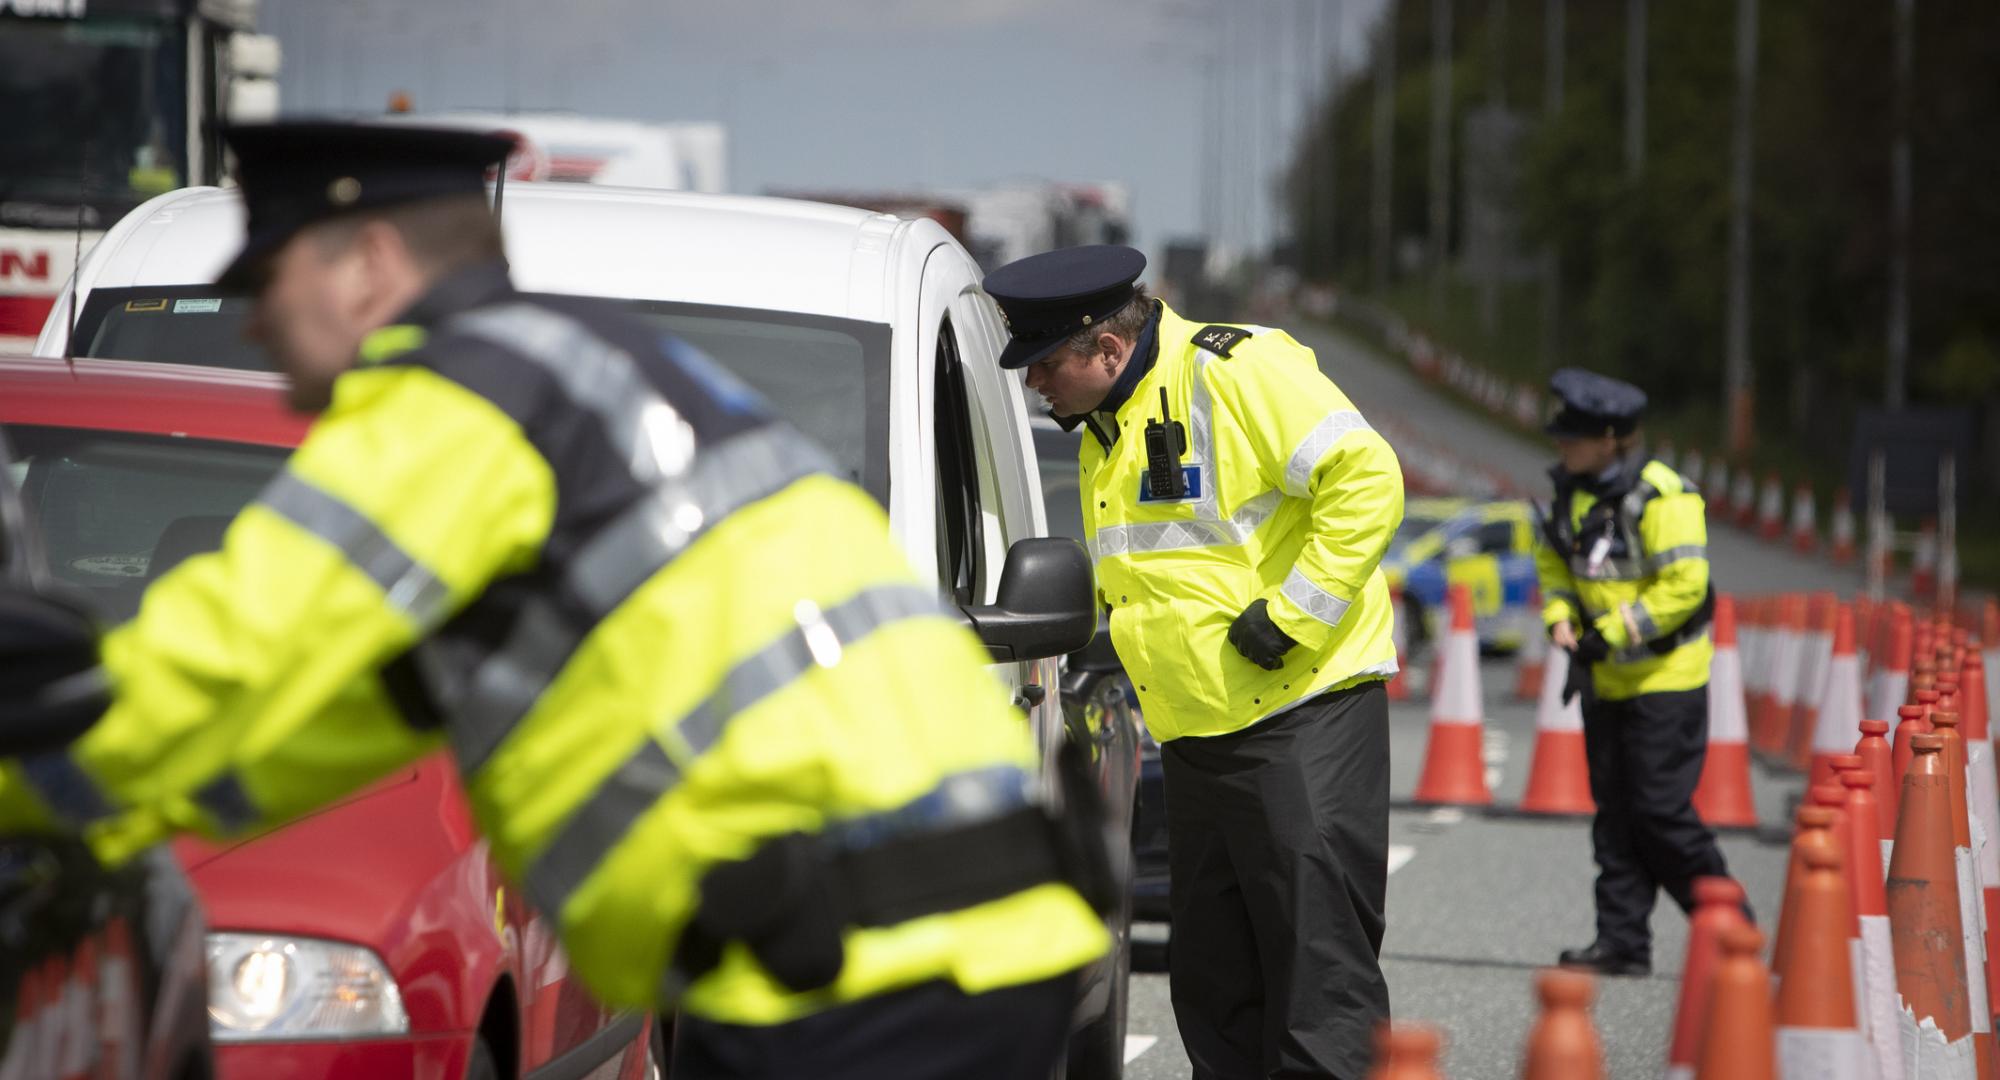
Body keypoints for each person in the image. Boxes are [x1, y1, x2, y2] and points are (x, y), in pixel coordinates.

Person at [0, 122, 1112, 1080]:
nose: (251, 324)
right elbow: (308, 723)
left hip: (854, 983)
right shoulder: (590, 373)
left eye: (266, 284)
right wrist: (90, 808)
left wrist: (31, 752)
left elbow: (234, 659)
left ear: (365, 263)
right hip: (944, 951)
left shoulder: (452, 401)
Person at [985, 245, 1403, 1079]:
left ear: (1105, 349)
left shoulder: (1235, 370)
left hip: (1302, 715)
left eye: (1044, 365)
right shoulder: (1112, 423)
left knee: (1316, 985)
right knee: (1217, 990)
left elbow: (1368, 477)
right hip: (1200, 733)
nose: (1035, 386)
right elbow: (1163, 575)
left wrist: (1294, 614)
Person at [1532, 367, 1734, 977]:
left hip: (1663, 682)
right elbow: (1556, 568)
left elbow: (1686, 587)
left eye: (1574, 438)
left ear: (1612, 436)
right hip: (1605, 679)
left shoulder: (1664, 496)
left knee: (1660, 813)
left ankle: (1731, 933)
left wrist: (1611, 632)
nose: (1562, 448)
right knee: (1615, 816)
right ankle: (1622, 942)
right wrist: (1561, 616)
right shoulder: (1569, 492)